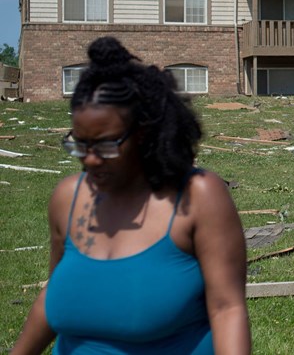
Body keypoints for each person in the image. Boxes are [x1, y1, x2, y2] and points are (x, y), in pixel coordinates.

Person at [12, 37, 251, 355]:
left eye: (106, 145)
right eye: (80, 144)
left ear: (145, 133)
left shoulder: (197, 197)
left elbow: (227, 309)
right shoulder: (67, 198)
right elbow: (55, 294)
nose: (90, 159)